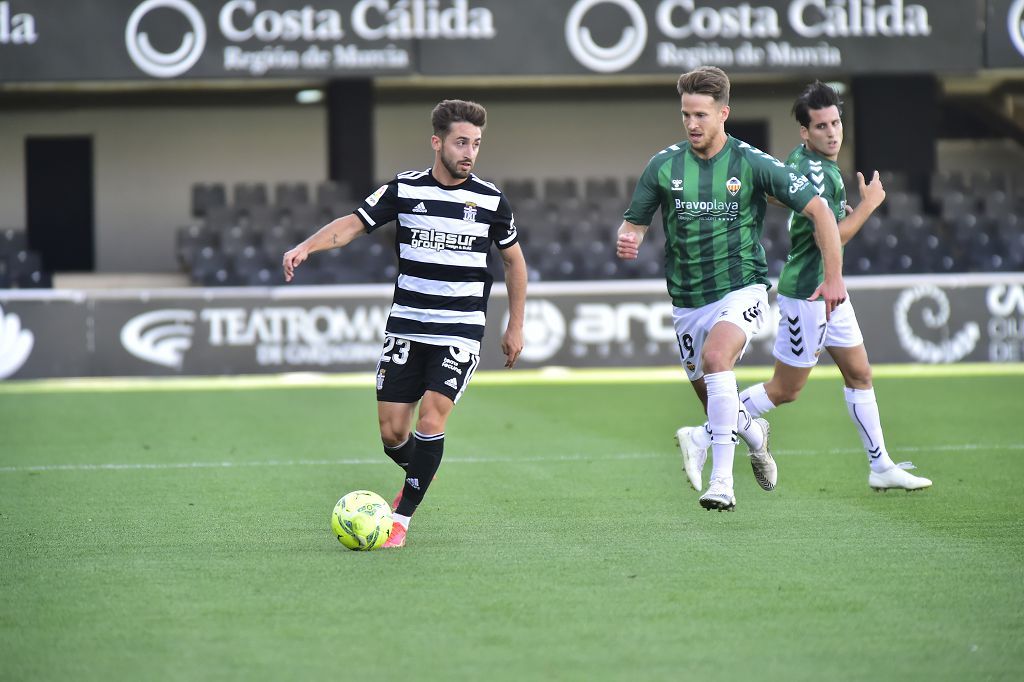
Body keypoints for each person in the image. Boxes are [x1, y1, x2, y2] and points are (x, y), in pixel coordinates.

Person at [283, 99, 527, 547]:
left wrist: (515, 325)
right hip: (407, 328)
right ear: (437, 143)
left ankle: (401, 519)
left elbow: (514, 263)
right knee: (393, 434)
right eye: (460, 142)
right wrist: (306, 247)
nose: (469, 152)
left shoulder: (491, 200)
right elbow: (352, 226)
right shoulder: (406, 188)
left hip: (459, 330)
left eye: (475, 143)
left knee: (433, 416)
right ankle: (420, 473)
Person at [675, 81, 932, 494]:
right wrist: (867, 207)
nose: (832, 132)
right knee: (785, 389)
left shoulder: (803, 164)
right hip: (810, 292)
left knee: (859, 373)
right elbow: (825, 237)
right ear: (804, 132)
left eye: (836, 123)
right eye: (821, 126)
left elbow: (787, 198)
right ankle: (702, 435)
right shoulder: (819, 172)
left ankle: (880, 465)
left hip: (830, 290)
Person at [616, 66, 847, 512]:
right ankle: (754, 432)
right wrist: (629, 237)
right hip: (686, 303)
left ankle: (722, 483)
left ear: (724, 112)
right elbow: (635, 223)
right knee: (716, 405)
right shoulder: (663, 165)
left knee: (717, 359)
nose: (692, 124)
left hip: (741, 288)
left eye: (701, 114)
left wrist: (834, 277)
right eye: (686, 114)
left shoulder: (752, 162)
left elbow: (820, 211)